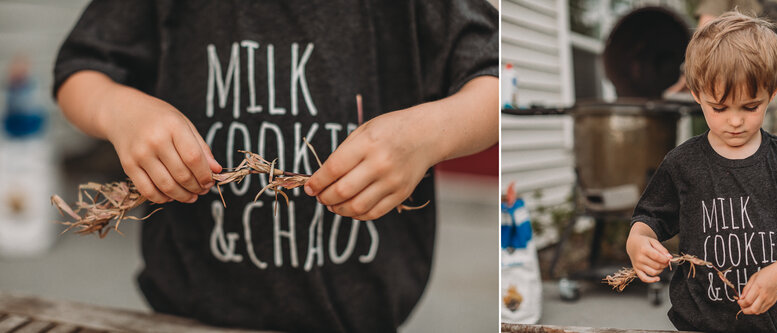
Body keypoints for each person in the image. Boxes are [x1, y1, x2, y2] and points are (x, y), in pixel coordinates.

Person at [53, 1, 497, 332]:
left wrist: (429, 132)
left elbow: (497, 83)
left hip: (361, 319)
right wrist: (118, 109)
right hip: (184, 315)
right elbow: (79, 70)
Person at [626, 12, 777, 332]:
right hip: (700, 322)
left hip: (776, 322)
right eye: (719, 108)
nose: (735, 121)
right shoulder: (682, 164)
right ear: (697, 95)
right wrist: (637, 242)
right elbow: (649, 220)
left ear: (771, 93)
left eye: (750, 107)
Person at [666, 0, 777, 136]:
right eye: (719, 109)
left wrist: (688, 75)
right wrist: (771, 74)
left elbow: (705, 34)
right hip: (768, 94)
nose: (735, 121)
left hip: (725, 86)